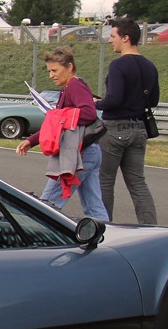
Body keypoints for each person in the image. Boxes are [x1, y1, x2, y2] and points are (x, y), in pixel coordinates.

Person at [16, 47, 107, 221]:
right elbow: (57, 124)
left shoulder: (74, 86)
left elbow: (89, 113)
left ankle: (40, 239)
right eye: (50, 71)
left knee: (47, 205)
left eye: (55, 70)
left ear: (69, 67)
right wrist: (31, 140)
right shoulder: (70, 87)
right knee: (94, 206)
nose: (51, 75)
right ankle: (106, 236)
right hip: (90, 151)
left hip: (79, 153)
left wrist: (62, 115)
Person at [97, 16, 160, 224]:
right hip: (139, 128)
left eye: (113, 36)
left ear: (125, 38)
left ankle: (104, 227)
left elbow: (113, 100)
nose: (110, 40)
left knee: (105, 182)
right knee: (137, 182)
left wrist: (95, 103)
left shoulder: (118, 66)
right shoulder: (150, 66)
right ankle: (150, 226)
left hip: (115, 128)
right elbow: (154, 99)